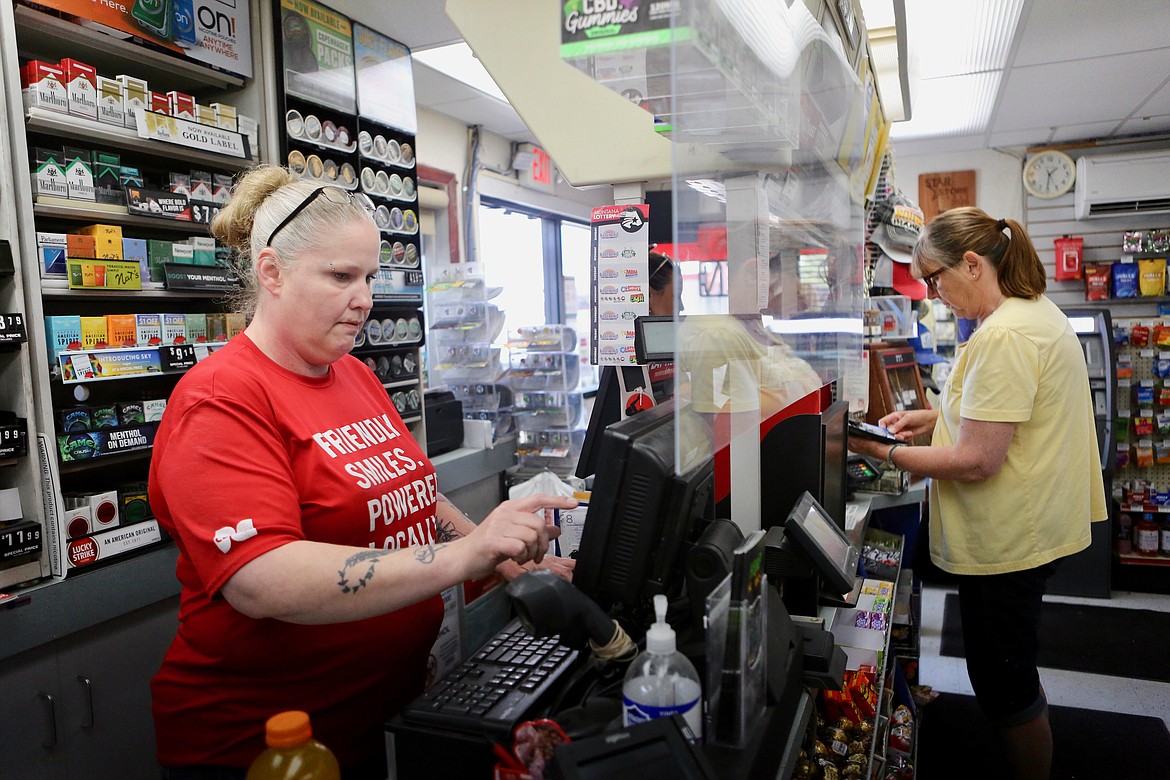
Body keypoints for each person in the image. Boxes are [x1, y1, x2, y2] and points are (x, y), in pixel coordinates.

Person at [147, 165, 577, 779]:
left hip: (378, 717)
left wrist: (509, 558)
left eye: (370, 277)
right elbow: (263, 579)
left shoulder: (354, 373)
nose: (366, 298)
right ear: (271, 272)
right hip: (265, 747)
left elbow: (416, 497)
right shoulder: (221, 398)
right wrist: (465, 559)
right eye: (341, 276)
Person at [847, 207, 1107, 780]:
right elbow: (1001, 418)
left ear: (971, 264)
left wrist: (878, 450)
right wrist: (931, 417)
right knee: (1006, 666)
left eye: (936, 278)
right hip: (1030, 523)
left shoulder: (1006, 335)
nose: (935, 294)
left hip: (1011, 533)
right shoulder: (1029, 314)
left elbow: (977, 459)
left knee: (1003, 679)